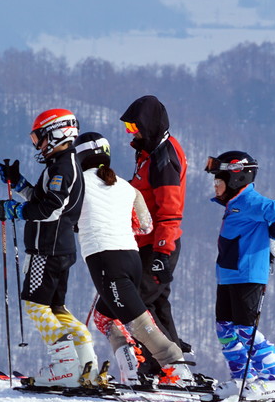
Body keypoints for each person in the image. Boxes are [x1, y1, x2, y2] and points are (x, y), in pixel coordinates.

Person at [74, 132, 196, 388]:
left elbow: (58, 212)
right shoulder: (125, 186)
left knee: (138, 322)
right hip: (132, 258)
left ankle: (178, 370)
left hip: (105, 258)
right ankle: (130, 368)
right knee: (104, 317)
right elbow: (145, 225)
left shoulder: (79, 182)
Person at [0, 109, 97, 388]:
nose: (37, 144)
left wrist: (16, 211)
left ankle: (65, 367)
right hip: (59, 248)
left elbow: (50, 210)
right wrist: (19, 185)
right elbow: (43, 199)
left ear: (57, 134)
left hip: (47, 250)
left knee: (35, 305)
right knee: (56, 307)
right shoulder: (61, 165)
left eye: (39, 138)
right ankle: (87, 365)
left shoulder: (62, 168)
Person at [206, 151, 275, 401]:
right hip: (228, 275)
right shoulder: (235, 205)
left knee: (245, 329)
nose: (215, 185)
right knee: (225, 329)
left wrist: (274, 238)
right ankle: (245, 378)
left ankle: (273, 380)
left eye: (218, 180)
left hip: (248, 274)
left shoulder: (251, 201)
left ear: (237, 178)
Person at [119, 95, 190, 367]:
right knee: (157, 304)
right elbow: (141, 191)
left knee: (137, 304)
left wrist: (162, 252)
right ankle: (174, 365)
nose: (130, 133)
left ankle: (161, 364)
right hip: (148, 242)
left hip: (159, 245)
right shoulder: (148, 153)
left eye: (134, 128)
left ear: (149, 125)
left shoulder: (164, 157)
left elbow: (170, 210)